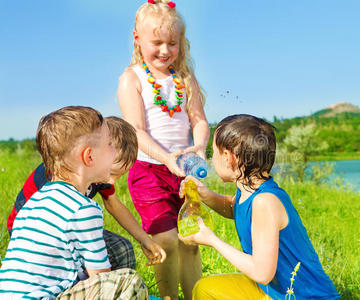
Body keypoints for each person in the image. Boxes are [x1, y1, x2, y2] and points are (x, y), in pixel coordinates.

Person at [179, 114, 340, 300]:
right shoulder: (251, 190)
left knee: (206, 291)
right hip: (271, 291)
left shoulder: (265, 202)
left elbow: (262, 273)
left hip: (302, 297)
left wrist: (211, 239)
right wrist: (206, 195)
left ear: (227, 157)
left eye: (212, 152)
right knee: (205, 289)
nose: (210, 159)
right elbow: (236, 209)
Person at [0, 106, 150, 299]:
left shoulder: (34, 201)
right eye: (109, 145)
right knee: (128, 282)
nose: (114, 151)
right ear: (89, 157)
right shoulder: (83, 209)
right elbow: (101, 281)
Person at [117, 1, 209, 299]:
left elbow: (199, 119)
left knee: (190, 240)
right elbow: (135, 130)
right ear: (137, 39)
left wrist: (200, 146)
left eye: (173, 43)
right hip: (149, 170)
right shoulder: (133, 78)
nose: (165, 50)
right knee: (167, 240)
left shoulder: (185, 79)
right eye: (156, 42)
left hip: (184, 171)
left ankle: (194, 295)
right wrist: (166, 158)